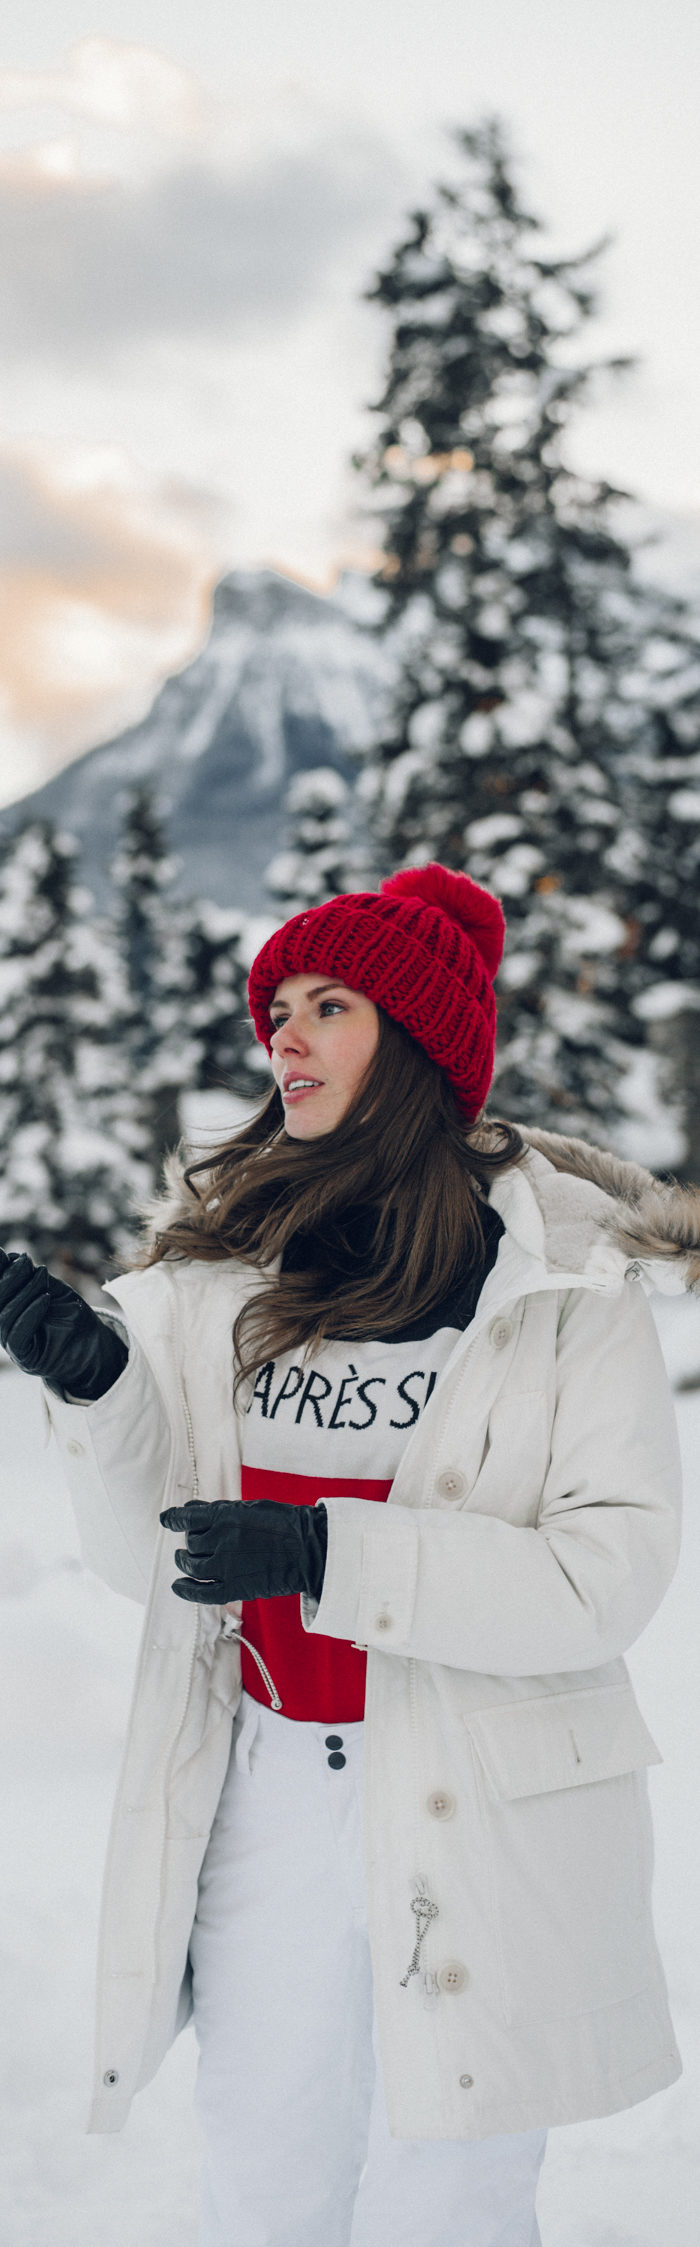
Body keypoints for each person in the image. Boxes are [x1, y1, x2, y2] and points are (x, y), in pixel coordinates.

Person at [0, 860, 693, 2247]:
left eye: (330, 1006)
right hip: (267, 1801)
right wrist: (103, 1393)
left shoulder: (567, 1290)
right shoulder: (228, 1274)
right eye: (279, 1012)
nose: (286, 1038)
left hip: (477, 1799)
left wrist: (327, 1555)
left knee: (456, 2203)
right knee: (266, 2185)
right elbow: (162, 1568)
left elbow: (599, 1580)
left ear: (423, 1045)